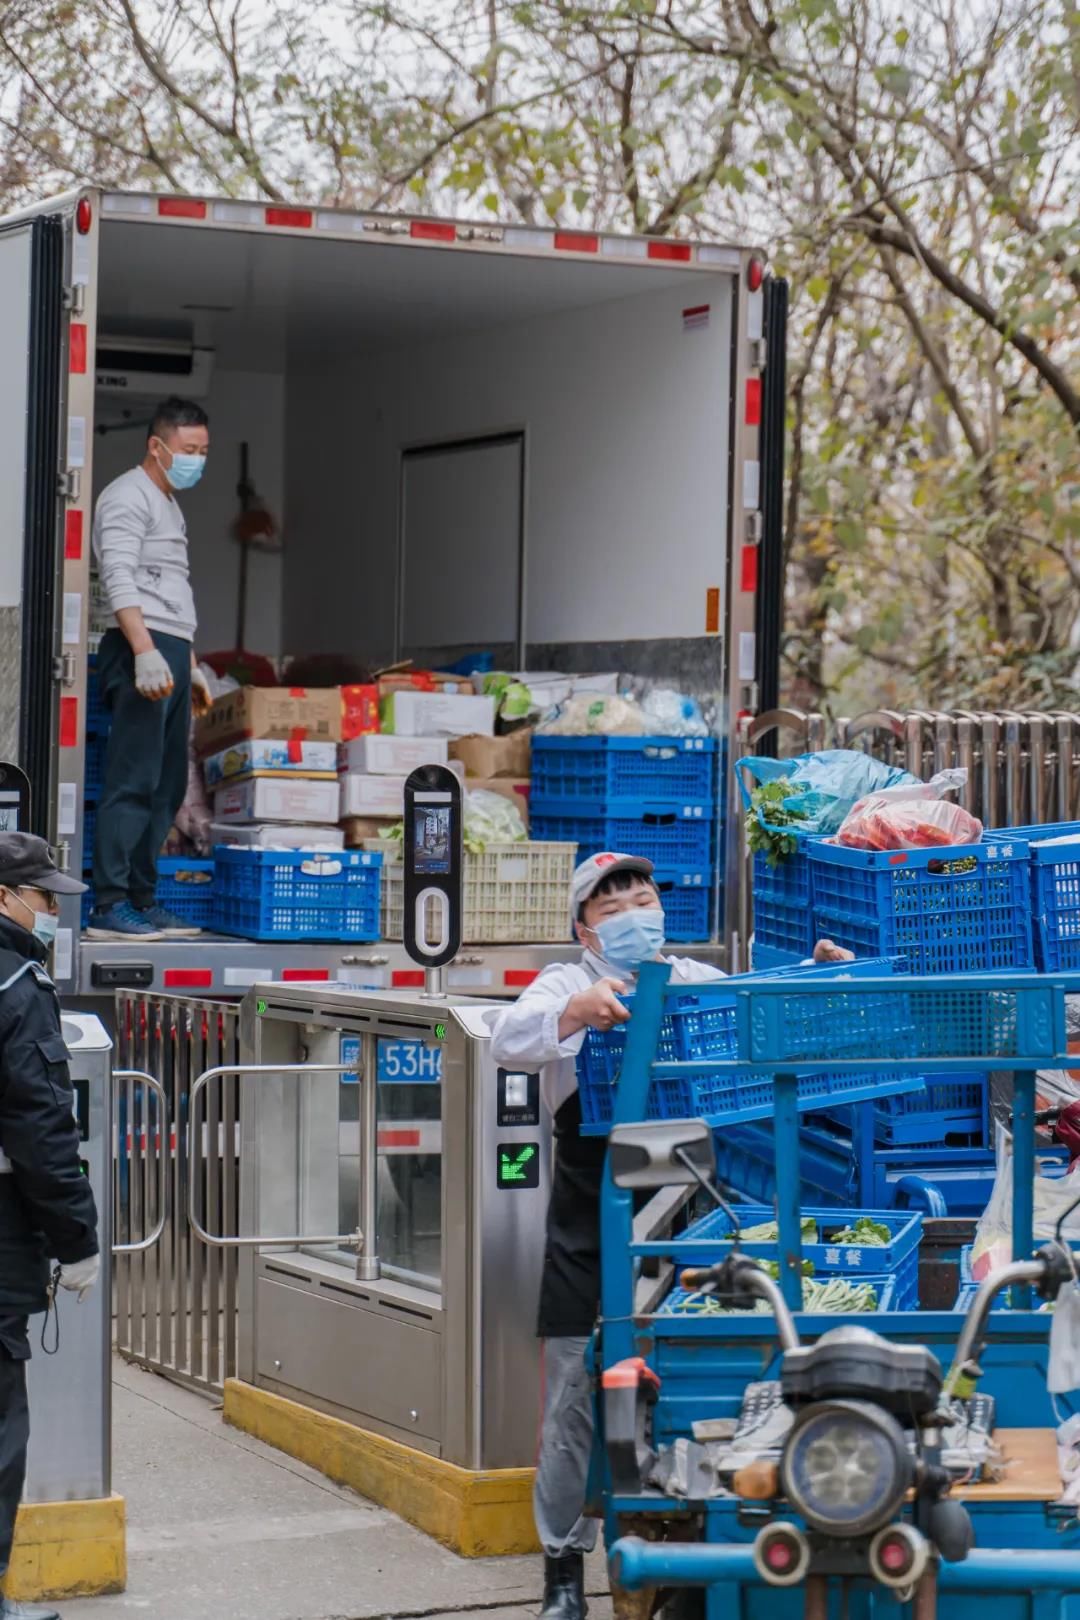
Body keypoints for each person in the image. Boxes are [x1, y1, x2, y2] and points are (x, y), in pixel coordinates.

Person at [490, 853, 852, 1620]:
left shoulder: (689, 976)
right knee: (571, 1398)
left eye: (642, 897)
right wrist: (578, 1010)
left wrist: (812, 975)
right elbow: (507, 1038)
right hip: (589, 1222)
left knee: (692, 1387)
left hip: (686, 1217)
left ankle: (682, 1555)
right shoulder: (564, 985)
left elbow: (761, 1004)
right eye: (612, 902)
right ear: (583, 924)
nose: (631, 911)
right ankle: (561, 1569)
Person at [0, 834, 100, 1620]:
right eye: (42, 895)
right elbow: (40, 1128)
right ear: (4, 896)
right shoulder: (16, 983)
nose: (52, 908)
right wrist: (77, 1239)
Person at [88, 396, 214, 941]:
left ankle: (143, 897)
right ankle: (110, 906)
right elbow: (118, 575)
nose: (196, 460)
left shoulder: (167, 502)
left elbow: (168, 589)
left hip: (169, 647)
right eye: (188, 450)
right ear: (157, 446)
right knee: (132, 780)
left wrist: (189, 661)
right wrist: (143, 650)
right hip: (138, 645)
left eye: (203, 451)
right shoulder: (126, 496)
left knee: (165, 785)